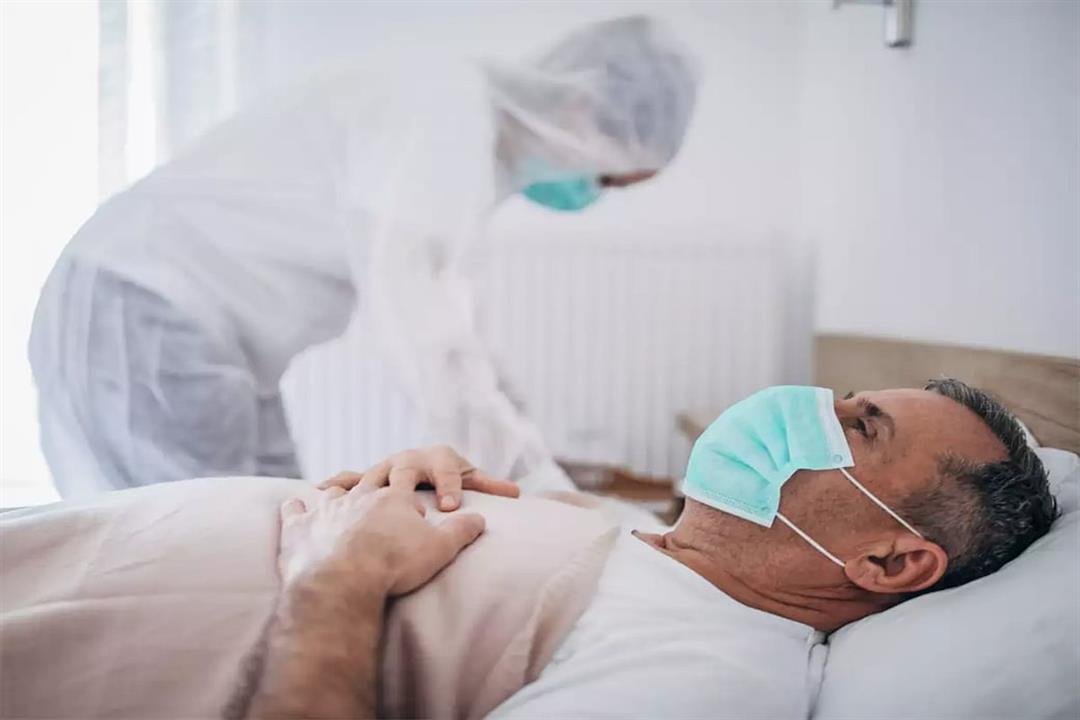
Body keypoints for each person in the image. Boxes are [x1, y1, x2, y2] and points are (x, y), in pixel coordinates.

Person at [28, 15, 700, 497]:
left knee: (273, 532)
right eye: (609, 178)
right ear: (582, 107)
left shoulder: (461, 132)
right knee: (193, 562)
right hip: (148, 314)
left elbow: (459, 337)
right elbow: (428, 339)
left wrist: (536, 462)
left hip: (199, 334)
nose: (592, 196)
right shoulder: (441, 112)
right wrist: (542, 490)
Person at [226, 378, 1056, 718]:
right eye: (840, 398)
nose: (804, 404)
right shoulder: (638, 539)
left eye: (860, 427)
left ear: (889, 562)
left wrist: (334, 580)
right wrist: (419, 483)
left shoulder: (709, 680)